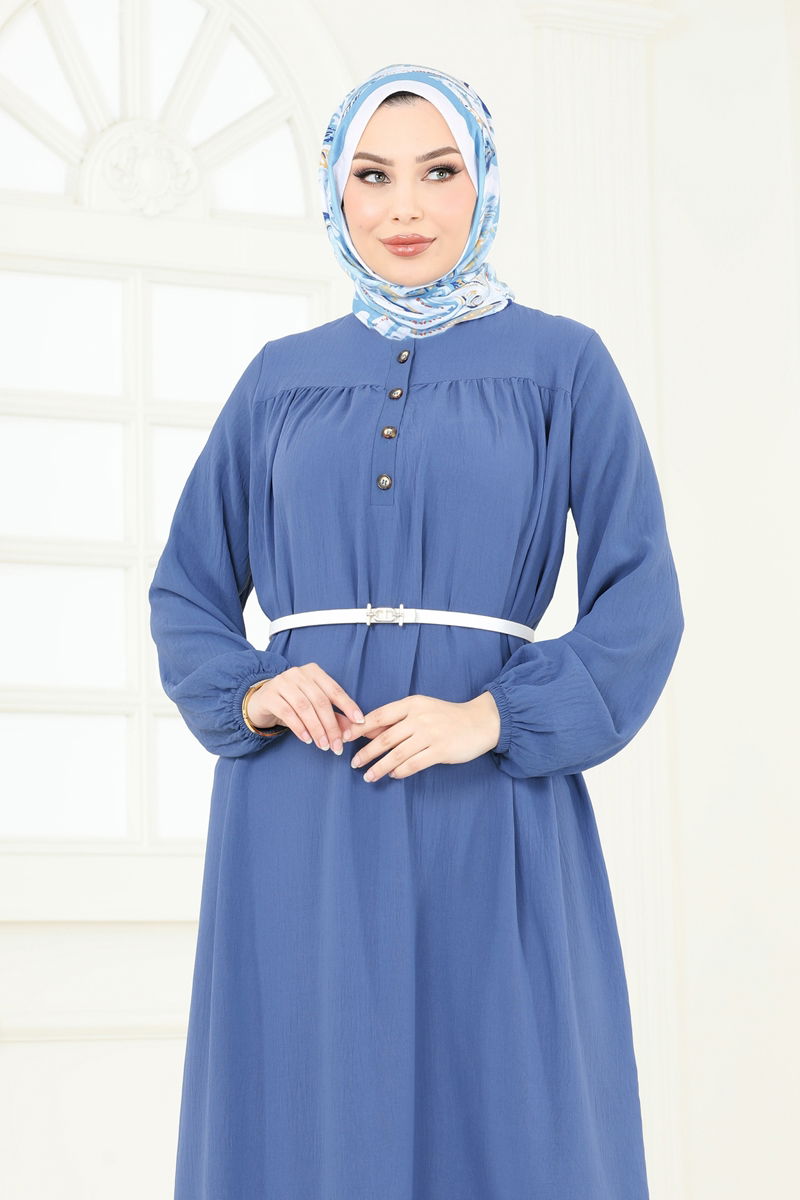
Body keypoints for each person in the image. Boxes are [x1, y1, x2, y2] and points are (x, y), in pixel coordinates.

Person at [148, 61, 684, 1200]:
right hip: (299, 802)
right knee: (308, 1087)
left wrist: (491, 717)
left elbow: (641, 600)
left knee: (507, 1091)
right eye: (372, 176)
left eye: (438, 173)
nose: (404, 208)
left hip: (485, 798)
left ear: (482, 182)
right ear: (334, 193)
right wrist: (252, 690)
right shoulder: (278, 379)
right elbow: (185, 589)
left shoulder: (564, 364)